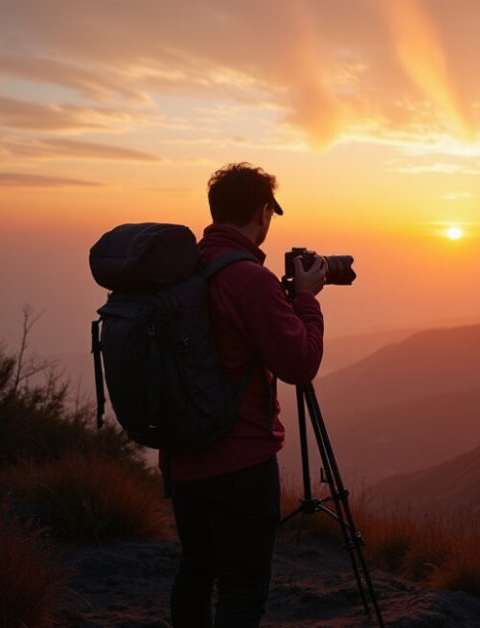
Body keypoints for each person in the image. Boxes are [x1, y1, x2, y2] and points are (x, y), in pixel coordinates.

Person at [166, 162, 326, 627]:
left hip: (184, 458)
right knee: (241, 593)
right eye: (269, 215)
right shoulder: (248, 280)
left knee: (195, 573)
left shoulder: (186, 270)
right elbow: (299, 365)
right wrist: (308, 299)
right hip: (240, 463)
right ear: (261, 212)